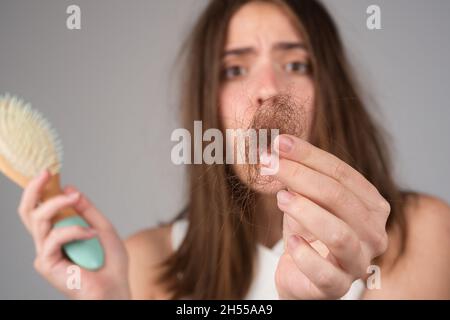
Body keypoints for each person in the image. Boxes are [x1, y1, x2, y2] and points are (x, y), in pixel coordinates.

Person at [17, 0, 450, 299]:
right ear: (209, 106)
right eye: (235, 68)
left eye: (296, 64)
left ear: (330, 92)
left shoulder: (426, 236)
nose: (267, 89)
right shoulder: (142, 267)